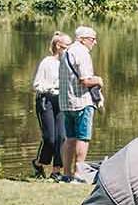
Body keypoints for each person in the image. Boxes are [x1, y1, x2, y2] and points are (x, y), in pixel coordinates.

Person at [59, 25, 103, 184]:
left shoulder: (66, 52)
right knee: (83, 138)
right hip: (82, 102)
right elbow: (85, 80)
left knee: (69, 138)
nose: (95, 42)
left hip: (66, 103)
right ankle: (79, 173)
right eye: (92, 39)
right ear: (82, 39)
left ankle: (66, 174)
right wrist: (98, 80)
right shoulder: (82, 53)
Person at [31, 32, 71, 180]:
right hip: (46, 101)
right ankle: (39, 163)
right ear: (58, 46)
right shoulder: (47, 62)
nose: (69, 50)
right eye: (67, 47)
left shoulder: (68, 63)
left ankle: (56, 171)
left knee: (62, 137)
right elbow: (36, 84)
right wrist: (49, 89)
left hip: (61, 102)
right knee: (50, 138)